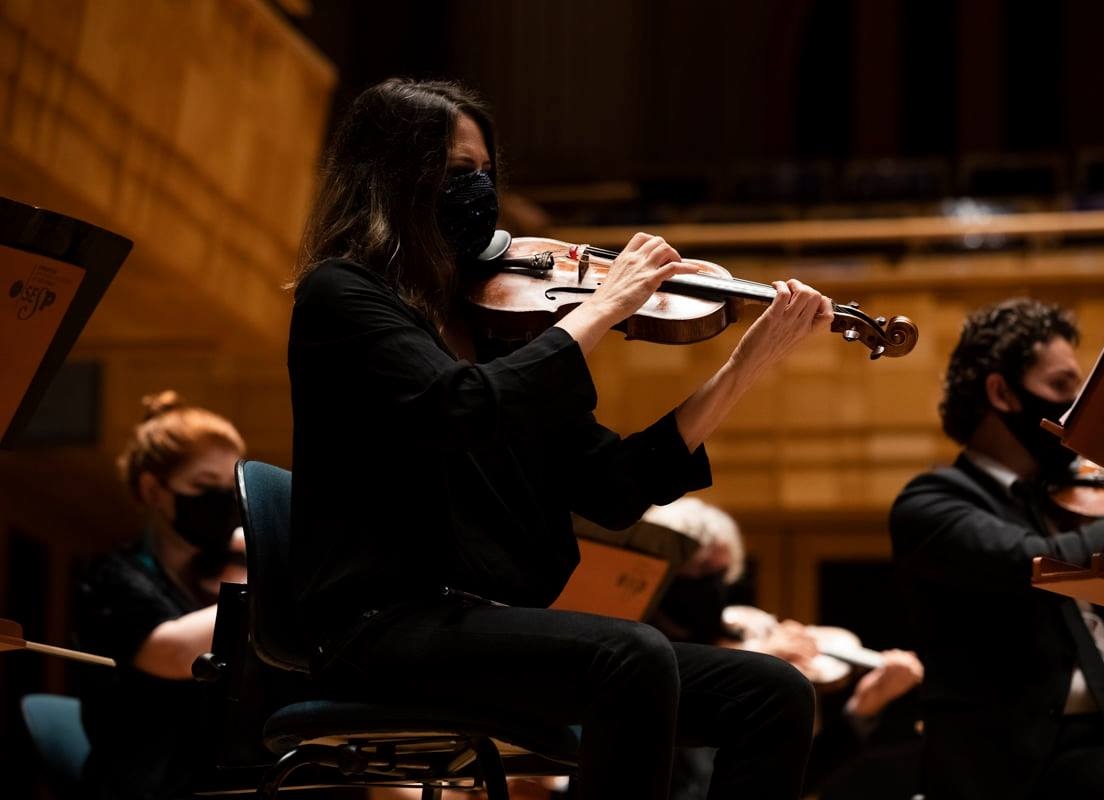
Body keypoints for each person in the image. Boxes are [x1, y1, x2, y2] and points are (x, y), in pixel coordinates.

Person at [287, 78, 830, 800]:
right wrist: (603, 306)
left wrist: (742, 367)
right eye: (457, 173)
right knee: (628, 655)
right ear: (393, 175)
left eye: (485, 174)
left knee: (772, 690)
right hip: (378, 627)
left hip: (485, 628)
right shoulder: (343, 296)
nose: (478, 191)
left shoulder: (490, 325)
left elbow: (610, 485)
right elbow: (462, 407)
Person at [889, 298, 1104, 799]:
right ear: (1002, 392)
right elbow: (1035, 565)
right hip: (1027, 761)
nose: (1078, 409)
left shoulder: (1073, 502)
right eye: (1063, 387)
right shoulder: (931, 503)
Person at [643, 497, 923, 799]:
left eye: (721, 574)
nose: (713, 588)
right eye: (698, 573)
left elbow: (781, 783)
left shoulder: (733, 635)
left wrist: (860, 710)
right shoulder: (642, 656)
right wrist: (752, 666)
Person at [76, 391, 247, 800]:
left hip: (220, 778)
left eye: (231, 488)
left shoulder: (219, 573)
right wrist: (269, 575)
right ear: (154, 490)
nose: (224, 503)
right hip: (147, 782)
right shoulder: (112, 576)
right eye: (205, 485)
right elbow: (172, 652)